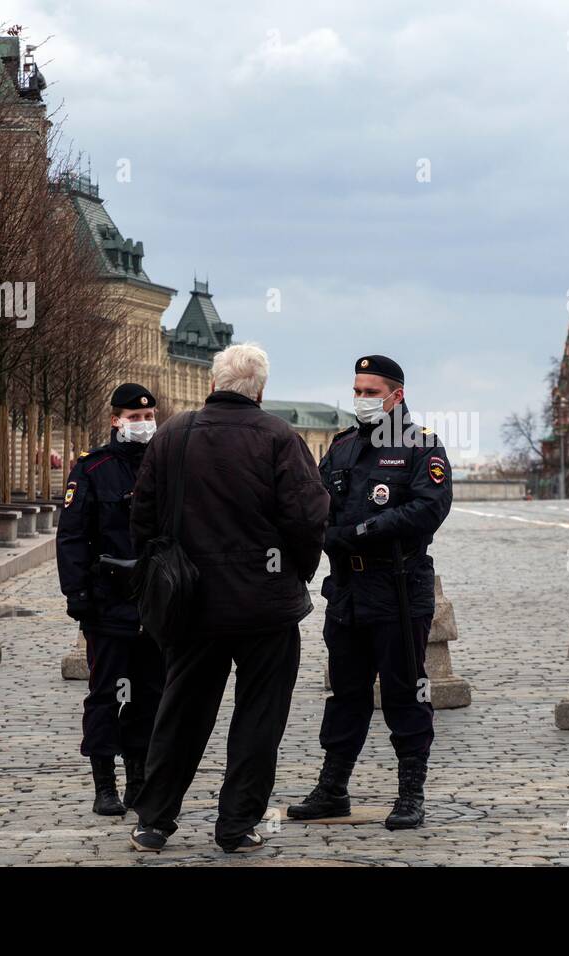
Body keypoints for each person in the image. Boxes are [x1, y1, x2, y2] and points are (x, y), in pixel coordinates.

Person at [127, 343, 329, 854]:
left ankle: (154, 820)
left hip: (190, 602)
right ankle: (236, 825)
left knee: (181, 712)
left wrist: (163, 570)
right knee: (259, 719)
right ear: (260, 390)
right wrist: (294, 573)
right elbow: (307, 518)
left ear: (212, 385)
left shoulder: (173, 434)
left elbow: (142, 518)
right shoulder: (280, 437)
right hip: (264, 605)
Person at [287, 354, 452, 830]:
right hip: (348, 591)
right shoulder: (341, 448)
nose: (361, 399)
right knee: (345, 691)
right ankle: (333, 787)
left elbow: (428, 509)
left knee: (405, 691)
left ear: (396, 396)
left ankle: (409, 793)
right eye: (357, 391)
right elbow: (314, 503)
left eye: (370, 392)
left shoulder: (421, 447)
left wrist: (361, 531)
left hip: (398, 586)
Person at [56, 383, 166, 817]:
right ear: (116, 420)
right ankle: (105, 784)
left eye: (149, 417)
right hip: (107, 602)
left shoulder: (166, 465)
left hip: (155, 603)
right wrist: (78, 595)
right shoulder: (93, 467)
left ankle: (139, 778)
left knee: (149, 694)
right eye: (135, 418)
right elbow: (72, 536)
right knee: (105, 694)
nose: (144, 424)